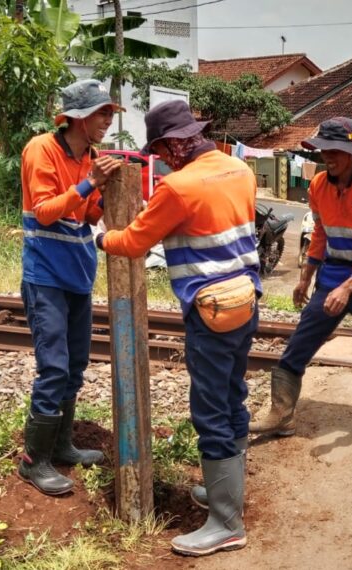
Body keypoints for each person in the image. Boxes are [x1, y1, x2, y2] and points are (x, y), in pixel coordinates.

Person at [96, 99, 260, 557]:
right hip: (246, 301)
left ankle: (226, 523)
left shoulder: (178, 188)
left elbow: (132, 243)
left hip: (210, 311)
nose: (163, 158)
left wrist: (100, 237)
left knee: (209, 409)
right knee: (233, 396)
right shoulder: (239, 170)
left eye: (163, 150)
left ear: (173, 143)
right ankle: (226, 491)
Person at [248, 117, 352, 438]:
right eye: (324, 149)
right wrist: (304, 277)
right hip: (331, 275)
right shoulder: (318, 186)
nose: (328, 156)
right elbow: (321, 234)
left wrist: (349, 286)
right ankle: (282, 413)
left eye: (336, 151)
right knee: (299, 344)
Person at [17, 79, 122, 497]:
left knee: (75, 366)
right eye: (102, 113)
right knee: (54, 368)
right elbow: (44, 213)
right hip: (46, 276)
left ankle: (60, 445)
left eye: (110, 114)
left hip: (79, 275)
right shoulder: (41, 149)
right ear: (78, 117)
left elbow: (87, 216)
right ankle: (33, 460)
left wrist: (103, 192)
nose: (108, 121)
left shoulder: (92, 158)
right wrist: (89, 183)